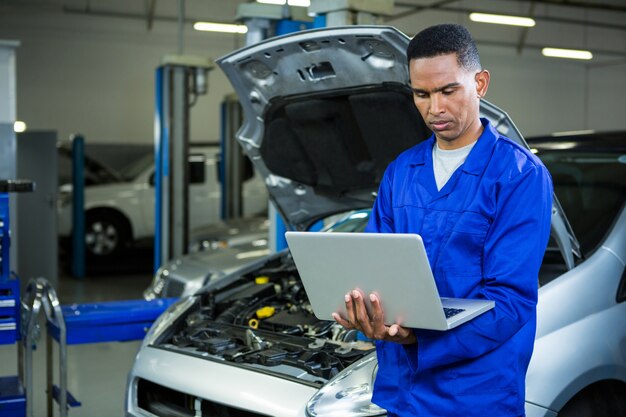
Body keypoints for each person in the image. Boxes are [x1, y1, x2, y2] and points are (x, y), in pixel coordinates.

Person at [333, 24, 553, 417]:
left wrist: (419, 337)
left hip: (475, 395)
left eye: (448, 90)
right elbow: (371, 266)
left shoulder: (518, 175)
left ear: (480, 83)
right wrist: (363, 310)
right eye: (422, 94)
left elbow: (510, 301)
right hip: (401, 391)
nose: (435, 108)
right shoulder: (401, 171)